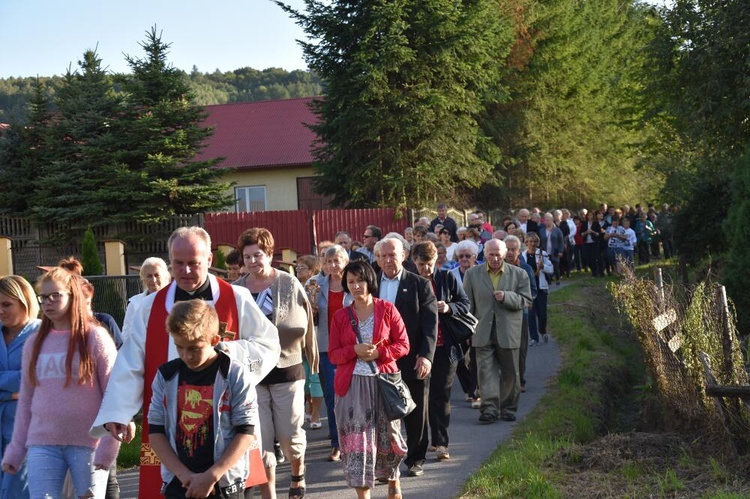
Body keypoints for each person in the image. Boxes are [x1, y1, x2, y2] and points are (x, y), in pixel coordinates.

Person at [90, 227, 280, 499]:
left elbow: (269, 346)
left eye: (194, 263)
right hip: (171, 425)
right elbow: (131, 362)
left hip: (224, 421)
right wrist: (119, 412)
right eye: (178, 263)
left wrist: (226, 351)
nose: (186, 270)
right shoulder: (149, 307)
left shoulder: (236, 299)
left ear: (210, 260)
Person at [3, 268, 119, 498]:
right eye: (44, 297)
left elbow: (115, 395)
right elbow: (26, 401)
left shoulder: (95, 337)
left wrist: (108, 448)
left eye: (56, 295)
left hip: (89, 444)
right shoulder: (35, 342)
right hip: (42, 443)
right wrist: (15, 451)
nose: (48, 302)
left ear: (73, 296)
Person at [234, 228, 316, 499]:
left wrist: (269, 335)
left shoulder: (287, 283)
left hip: (287, 369)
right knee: (260, 438)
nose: (252, 261)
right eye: (247, 257)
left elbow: (300, 325)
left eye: (257, 255)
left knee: (290, 433)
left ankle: (297, 473)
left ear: (269, 254)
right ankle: (269, 494)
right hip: (253, 374)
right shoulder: (238, 289)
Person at [148, 300, 258, 499]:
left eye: (194, 348)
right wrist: (185, 476)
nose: (186, 355)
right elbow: (155, 431)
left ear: (214, 340)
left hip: (223, 482)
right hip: (180, 481)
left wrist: (212, 475)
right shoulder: (166, 375)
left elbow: (246, 431)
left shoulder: (234, 373)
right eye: (179, 347)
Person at [329, 260, 409, 499]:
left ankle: (393, 479)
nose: (356, 286)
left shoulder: (387, 309)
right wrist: (354, 349)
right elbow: (333, 354)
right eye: (351, 282)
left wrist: (379, 353)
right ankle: (363, 495)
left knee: (389, 436)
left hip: (383, 382)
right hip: (352, 385)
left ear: (369, 281)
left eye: (360, 281)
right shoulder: (341, 317)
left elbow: (403, 344)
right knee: (357, 444)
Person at [375, 237, 437, 477]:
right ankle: (386, 461)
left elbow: (430, 325)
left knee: (415, 411)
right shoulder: (371, 284)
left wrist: (426, 356)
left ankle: (415, 458)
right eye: (384, 255)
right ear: (378, 258)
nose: (389, 260)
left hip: (413, 359)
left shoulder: (420, 284)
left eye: (393, 255)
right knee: (382, 414)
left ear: (403, 256)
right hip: (380, 361)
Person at [410, 242, 470, 463]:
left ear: (437, 260)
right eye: (421, 264)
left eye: (430, 264)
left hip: (445, 346)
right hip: (417, 348)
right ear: (413, 261)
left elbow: (465, 303)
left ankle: (441, 443)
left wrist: (449, 308)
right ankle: (423, 442)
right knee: (420, 397)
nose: (426, 268)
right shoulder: (410, 282)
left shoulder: (446, 277)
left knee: (441, 395)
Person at [463, 239, 532, 424]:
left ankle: (508, 408)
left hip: (508, 330)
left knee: (510, 372)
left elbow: (526, 299)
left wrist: (506, 297)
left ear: (505, 254)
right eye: (491, 254)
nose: (494, 258)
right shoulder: (472, 274)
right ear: (484, 254)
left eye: (498, 255)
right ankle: (489, 409)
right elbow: (467, 306)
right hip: (482, 330)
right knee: (486, 372)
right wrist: (467, 331)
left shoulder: (519, 274)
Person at [306, 245, 353, 463]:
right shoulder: (314, 283)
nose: (333, 265)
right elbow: (306, 316)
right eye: (328, 261)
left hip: (352, 347)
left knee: (354, 396)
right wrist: (311, 309)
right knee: (332, 396)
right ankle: (337, 443)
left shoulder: (354, 280)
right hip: (326, 347)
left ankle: (354, 440)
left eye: (337, 260)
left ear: (346, 260)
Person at [0, 276, 40, 499]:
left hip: (27, 430)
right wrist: (13, 392)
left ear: (24, 301)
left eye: (6, 304)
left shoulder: (43, 334)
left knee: (17, 492)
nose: (1, 311)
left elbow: (34, 377)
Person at [503, 236, 536, 393]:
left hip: (520, 316)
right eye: (507, 249)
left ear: (519, 251)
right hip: (501, 315)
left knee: (520, 350)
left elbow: (533, 291)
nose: (510, 252)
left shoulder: (526, 269)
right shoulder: (497, 268)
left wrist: (524, 302)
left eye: (513, 249)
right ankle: (506, 381)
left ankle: (520, 380)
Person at [450, 240, 481, 407]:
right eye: (460, 256)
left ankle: (474, 392)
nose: (463, 259)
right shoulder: (451, 274)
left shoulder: (480, 273)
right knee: (457, 358)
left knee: (476, 359)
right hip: (456, 324)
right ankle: (469, 387)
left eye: (467, 256)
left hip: (475, 322)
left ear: (475, 257)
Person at [295, 255, 324, 431]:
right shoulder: (295, 285)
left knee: (314, 376)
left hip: (315, 335)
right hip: (299, 336)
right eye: (297, 268)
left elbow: (318, 310)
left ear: (312, 271)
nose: (298, 271)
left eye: (302, 268)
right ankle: (309, 406)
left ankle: (316, 413)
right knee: (304, 375)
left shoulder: (316, 286)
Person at [121, 257, 171, 345]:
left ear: (166, 277)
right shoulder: (134, 303)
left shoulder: (174, 301)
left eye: (157, 275)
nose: (153, 280)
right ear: (143, 279)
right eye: (149, 276)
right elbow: (126, 335)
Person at [521, 232, 553, 346]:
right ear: (526, 243)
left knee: (542, 314)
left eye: (534, 241)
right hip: (528, 289)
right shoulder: (522, 256)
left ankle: (543, 331)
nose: (532, 244)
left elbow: (551, 269)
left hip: (541, 288)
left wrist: (543, 266)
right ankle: (534, 338)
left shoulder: (542, 254)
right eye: (530, 241)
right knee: (530, 314)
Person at [538, 213, 564, 285]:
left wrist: (560, 251)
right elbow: (539, 241)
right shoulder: (542, 231)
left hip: (555, 251)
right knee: (546, 265)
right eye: (545, 221)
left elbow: (561, 241)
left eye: (548, 220)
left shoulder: (557, 230)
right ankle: (548, 280)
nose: (546, 222)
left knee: (555, 265)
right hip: (545, 251)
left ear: (552, 221)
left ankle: (558, 278)